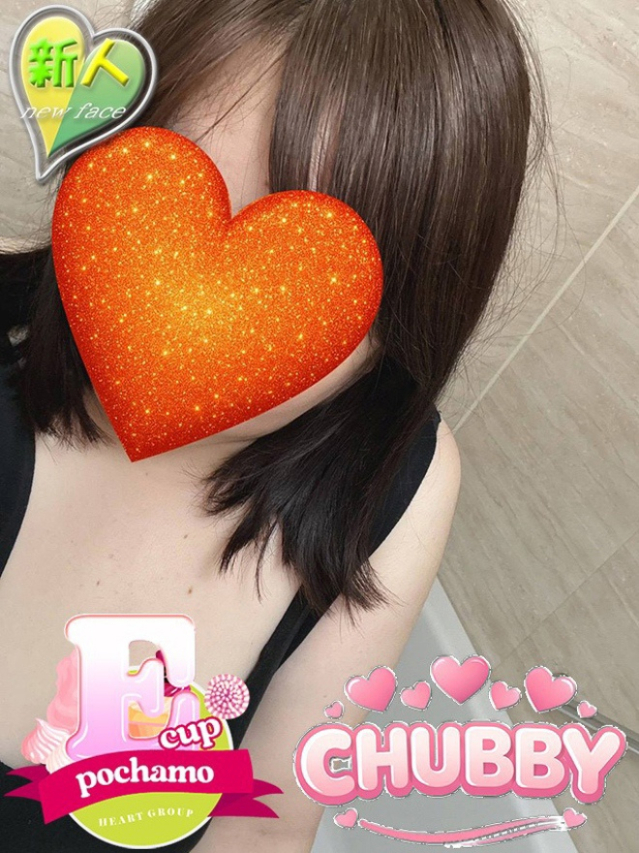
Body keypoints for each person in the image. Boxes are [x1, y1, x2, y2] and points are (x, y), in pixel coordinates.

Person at [0, 0, 551, 850]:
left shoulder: (399, 478)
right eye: (143, 224)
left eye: (288, 289)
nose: (178, 326)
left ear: (406, 319)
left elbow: (262, 830)